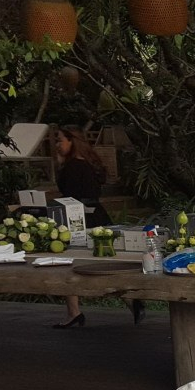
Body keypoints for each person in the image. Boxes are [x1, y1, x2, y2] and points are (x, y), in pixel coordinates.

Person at [51, 126, 133, 328]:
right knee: (105, 261)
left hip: (77, 217)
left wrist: (60, 166)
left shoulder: (72, 167)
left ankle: (74, 311)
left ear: (71, 141)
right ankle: (130, 298)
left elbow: (68, 194)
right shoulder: (91, 163)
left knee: (68, 261)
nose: (57, 145)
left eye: (60, 140)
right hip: (97, 214)